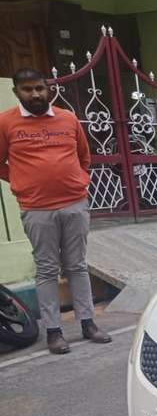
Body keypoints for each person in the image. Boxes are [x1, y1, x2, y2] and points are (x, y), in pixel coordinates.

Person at [0, 68, 111, 354]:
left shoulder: (68, 118)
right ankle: (54, 331)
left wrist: (79, 180)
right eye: (27, 89)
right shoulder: (6, 123)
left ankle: (88, 323)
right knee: (47, 270)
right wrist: (22, 184)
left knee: (77, 265)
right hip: (36, 209)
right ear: (16, 93)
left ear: (48, 89)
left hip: (74, 204)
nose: (35, 94)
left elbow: (84, 156)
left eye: (39, 88)